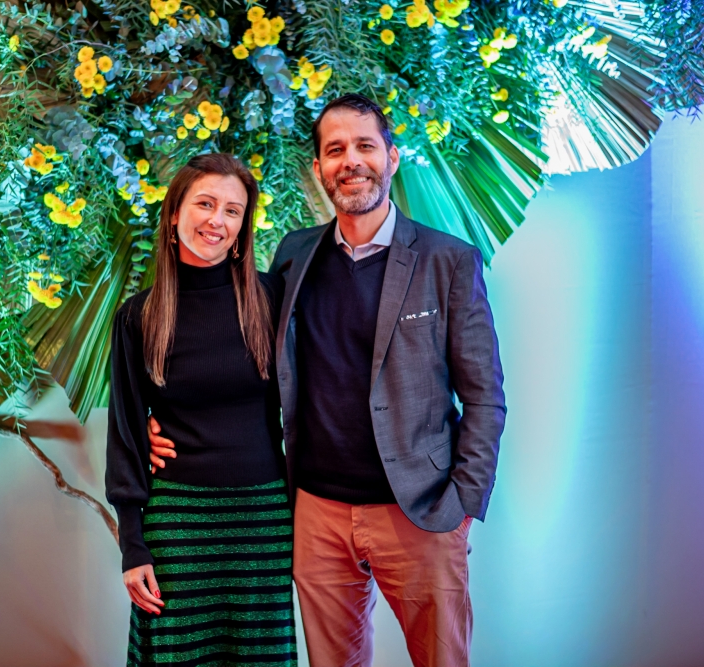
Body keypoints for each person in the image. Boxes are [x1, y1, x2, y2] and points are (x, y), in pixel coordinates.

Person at [147, 94, 506, 667]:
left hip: (419, 510)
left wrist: (463, 503)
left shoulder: (448, 261)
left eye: (365, 146)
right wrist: (162, 418)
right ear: (318, 168)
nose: (351, 161)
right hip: (315, 512)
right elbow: (244, 356)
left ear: (391, 157)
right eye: (335, 150)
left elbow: (485, 397)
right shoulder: (294, 255)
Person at [105, 153, 297, 666]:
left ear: (243, 226)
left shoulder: (272, 298)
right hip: (178, 524)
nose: (217, 220)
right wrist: (132, 546)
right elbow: (125, 434)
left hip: (264, 520)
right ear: (174, 213)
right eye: (205, 204)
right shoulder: (139, 316)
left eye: (233, 211)